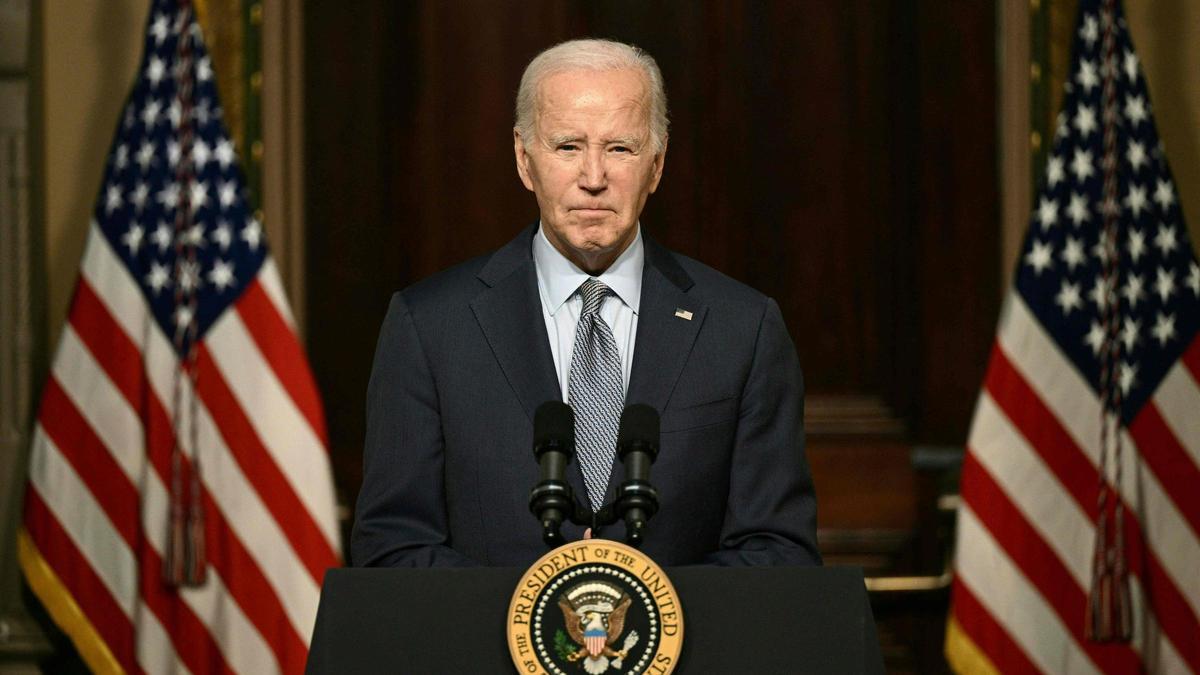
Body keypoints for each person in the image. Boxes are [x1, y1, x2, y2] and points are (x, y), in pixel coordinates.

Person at [351, 39, 820, 568]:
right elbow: (393, 547)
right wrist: (541, 616)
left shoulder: (743, 329)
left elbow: (779, 551)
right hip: (485, 649)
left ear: (658, 165)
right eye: (568, 146)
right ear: (524, 161)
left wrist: (641, 614)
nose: (593, 178)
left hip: (685, 649)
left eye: (620, 148)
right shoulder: (430, 327)